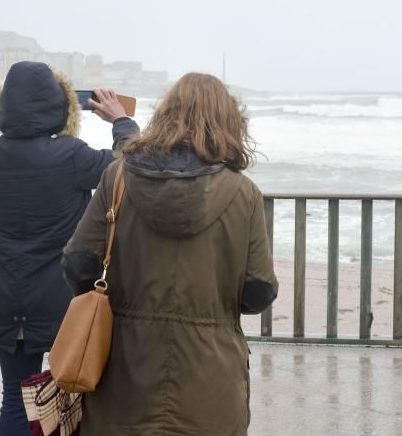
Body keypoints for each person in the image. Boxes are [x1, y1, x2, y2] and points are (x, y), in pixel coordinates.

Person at [62, 72, 278, 436]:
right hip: (212, 379)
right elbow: (258, 293)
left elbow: (78, 264)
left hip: (124, 370)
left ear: (164, 116)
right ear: (230, 123)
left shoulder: (117, 178)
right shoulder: (245, 194)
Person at [0, 61, 140, 436]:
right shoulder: (71, 157)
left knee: (15, 399)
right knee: (78, 391)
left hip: (5, 298)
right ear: (60, 107)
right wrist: (121, 122)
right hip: (62, 299)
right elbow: (131, 165)